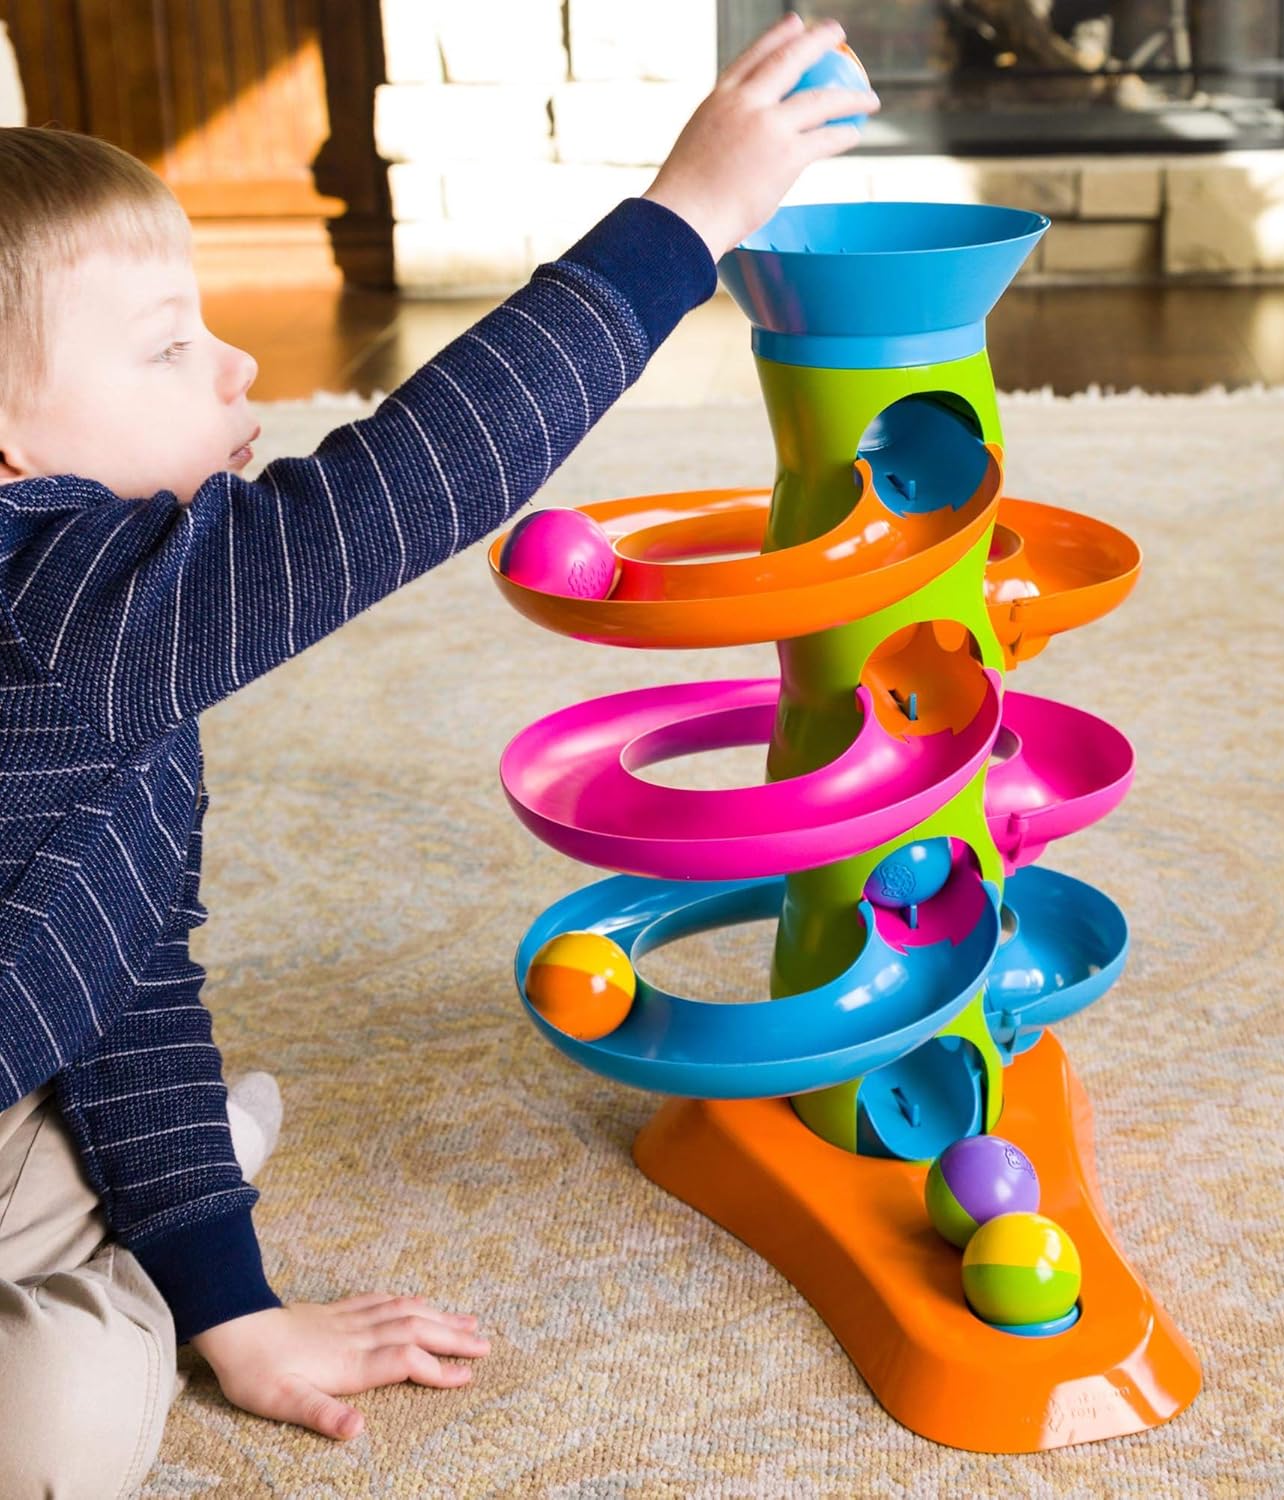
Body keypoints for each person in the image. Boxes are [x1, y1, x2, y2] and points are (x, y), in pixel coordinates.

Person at [0, 14, 877, 1493]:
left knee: (65, 1416)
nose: (232, 364)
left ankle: (148, 1207)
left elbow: (123, 966)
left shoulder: (115, 649)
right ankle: (126, 1209)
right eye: (165, 346)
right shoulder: (48, 603)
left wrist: (236, 1307)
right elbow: (403, 487)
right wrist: (691, 220)